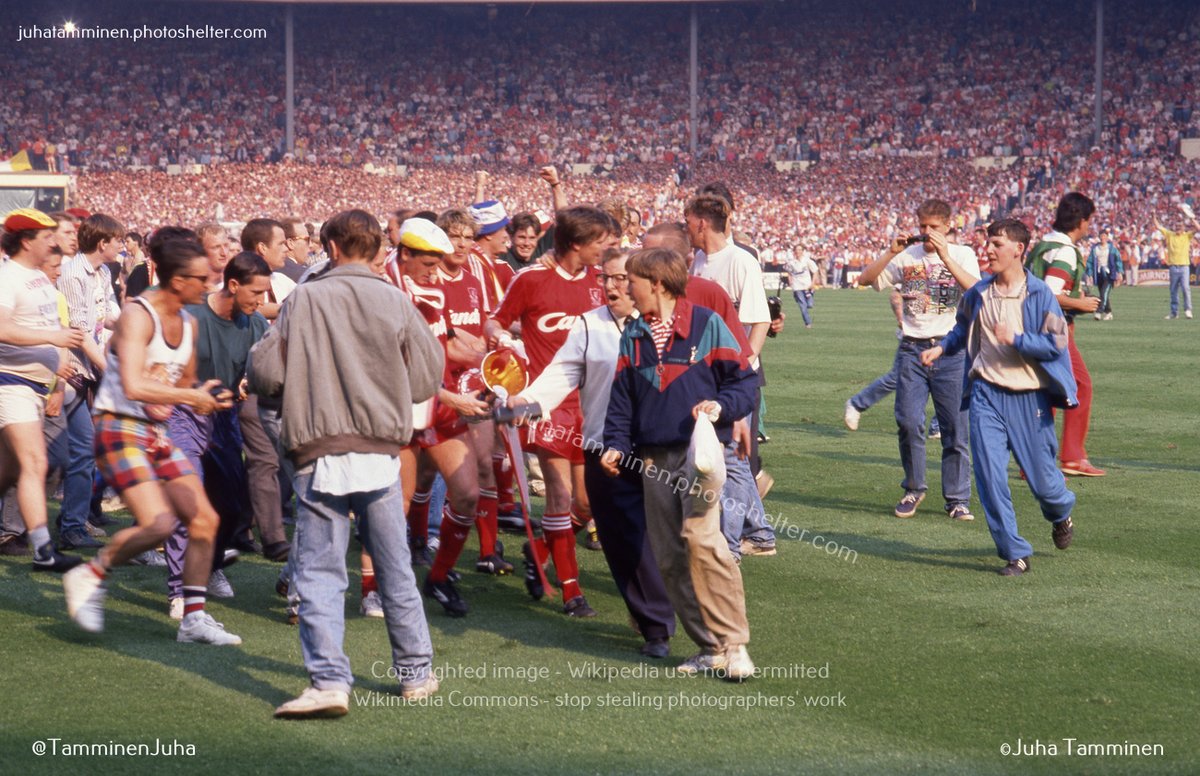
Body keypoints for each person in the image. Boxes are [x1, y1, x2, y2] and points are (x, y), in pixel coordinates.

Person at [248, 209, 443, 718]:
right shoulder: (396, 300)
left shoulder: (306, 298)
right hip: (380, 449)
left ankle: (331, 680)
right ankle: (416, 673)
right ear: (377, 248)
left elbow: (266, 372)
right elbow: (426, 377)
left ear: (331, 248)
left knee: (319, 571)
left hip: (319, 448)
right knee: (395, 565)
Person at [61, 237, 242, 645]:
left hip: (156, 433)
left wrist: (209, 392)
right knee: (159, 524)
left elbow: (186, 380)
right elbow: (133, 383)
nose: (209, 283)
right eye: (201, 278)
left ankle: (193, 618)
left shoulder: (190, 322)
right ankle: (90, 573)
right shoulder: (138, 315)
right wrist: (188, 397)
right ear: (177, 280)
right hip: (118, 427)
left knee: (204, 520)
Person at [601, 248, 757, 680]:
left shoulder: (708, 325)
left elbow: (745, 383)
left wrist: (720, 407)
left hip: (701, 456)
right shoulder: (632, 336)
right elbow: (621, 402)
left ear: (656, 283)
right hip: (652, 461)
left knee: (702, 540)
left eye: (631, 280)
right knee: (669, 557)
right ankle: (709, 647)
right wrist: (614, 444)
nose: (624, 288)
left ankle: (735, 644)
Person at [511, 248, 676, 657]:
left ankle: (656, 618)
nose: (612, 286)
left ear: (644, 283)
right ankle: (652, 623)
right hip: (604, 450)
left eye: (621, 279)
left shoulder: (668, 324)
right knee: (621, 540)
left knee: (660, 537)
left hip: (657, 451)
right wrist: (527, 402)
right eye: (605, 278)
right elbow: (562, 374)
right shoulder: (589, 326)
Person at [920, 218, 1077, 576]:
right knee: (990, 477)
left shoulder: (1039, 295)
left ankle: (1061, 512)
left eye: (996, 244)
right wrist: (942, 348)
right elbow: (962, 329)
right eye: (987, 243)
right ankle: (1015, 553)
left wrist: (1018, 340)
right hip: (986, 396)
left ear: (1018, 250)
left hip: (1029, 400)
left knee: (1044, 484)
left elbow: (1056, 343)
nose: (988, 250)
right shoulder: (978, 293)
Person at [485, 206, 619, 617]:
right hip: (549, 406)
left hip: (594, 404)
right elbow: (497, 321)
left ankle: (539, 548)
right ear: (577, 243)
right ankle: (571, 591)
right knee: (559, 497)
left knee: (586, 503)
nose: (607, 247)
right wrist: (499, 341)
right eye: (600, 241)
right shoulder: (532, 278)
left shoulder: (604, 284)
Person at [856, 198, 980, 520]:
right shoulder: (906, 256)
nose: (926, 233)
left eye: (933, 227)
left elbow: (977, 291)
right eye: (922, 226)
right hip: (911, 348)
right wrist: (890, 252)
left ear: (948, 226)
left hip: (950, 350)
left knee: (955, 427)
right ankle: (914, 489)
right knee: (909, 421)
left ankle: (957, 499)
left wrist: (946, 256)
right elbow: (865, 280)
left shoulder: (963, 253)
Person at [0, 208, 86, 572]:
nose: (53, 241)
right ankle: (43, 550)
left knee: (9, 471)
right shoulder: (8, 278)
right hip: (10, 384)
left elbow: (49, 324)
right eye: (46, 236)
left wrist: (57, 365)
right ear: (26, 241)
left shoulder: (37, 276)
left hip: (35, 386)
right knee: (36, 462)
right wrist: (52, 339)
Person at [1026, 192, 1104, 477]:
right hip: (1054, 327)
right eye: (1089, 221)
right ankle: (1071, 456)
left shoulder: (1042, 245)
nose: (1089, 227)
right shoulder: (1067, 250)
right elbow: (1049, 292)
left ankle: (1032, 460)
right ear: (1081, 221)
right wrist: (1079, 303)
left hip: (1032, 324)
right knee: (1079, 386)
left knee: (1049, 390)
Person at [1155, 210, 1198, 320]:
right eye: (1177, 226)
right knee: (1173, 290)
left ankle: (1188, 310)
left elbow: (1198, 228)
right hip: (1173, 266)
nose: (1178, 228)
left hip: (1184, 266)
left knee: (1185, 288)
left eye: (1180, 226)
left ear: (1183, 228)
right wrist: (1153, 215)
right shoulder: (1170, 235)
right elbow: (1158, 226)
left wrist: (1192, 218)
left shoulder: (1187, 236)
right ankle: (1174, 312)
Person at [1085, 230, 1122, 321]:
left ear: (1107, 237)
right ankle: (1108, 312)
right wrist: (1089, 274)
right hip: (1099, 274)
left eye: (1104, 236)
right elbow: (1090, 262)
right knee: (1103, 293)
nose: (1103, 238)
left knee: (1103, 293)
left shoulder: (1112, 248)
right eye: (1101, 236)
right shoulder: (1095, 249)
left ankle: (1099, 311)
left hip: (1109, 274)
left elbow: (1118, 260)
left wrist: (1119, 273)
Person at [784, 247, 820, 328]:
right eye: (796, 250)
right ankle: (808, 323)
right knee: (802, 305)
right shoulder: (792, 262)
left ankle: (808, 309)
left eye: (799, 250)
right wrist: (790, 281)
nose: (798, 252)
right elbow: (789, 271)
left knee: (809, 304)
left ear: (802, 251)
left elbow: (815, 271)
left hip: (807, 286)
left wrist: (813, 283)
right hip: (797, 286)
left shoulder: (807, 260)